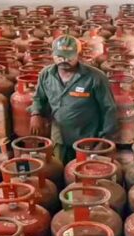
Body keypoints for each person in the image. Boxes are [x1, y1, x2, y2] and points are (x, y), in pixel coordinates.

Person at [29, 35, 118, 163]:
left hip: (87, 140)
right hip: (59, 138)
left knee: (83, 171)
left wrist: (104, 139)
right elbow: (39, 97)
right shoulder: (46, 74)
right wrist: (35, 113)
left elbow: (109, 109)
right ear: (52, 54)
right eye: (59, 56)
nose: (64, 60)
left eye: (69, 57)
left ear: (79, 55)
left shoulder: (95, 77)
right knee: (59, 169)